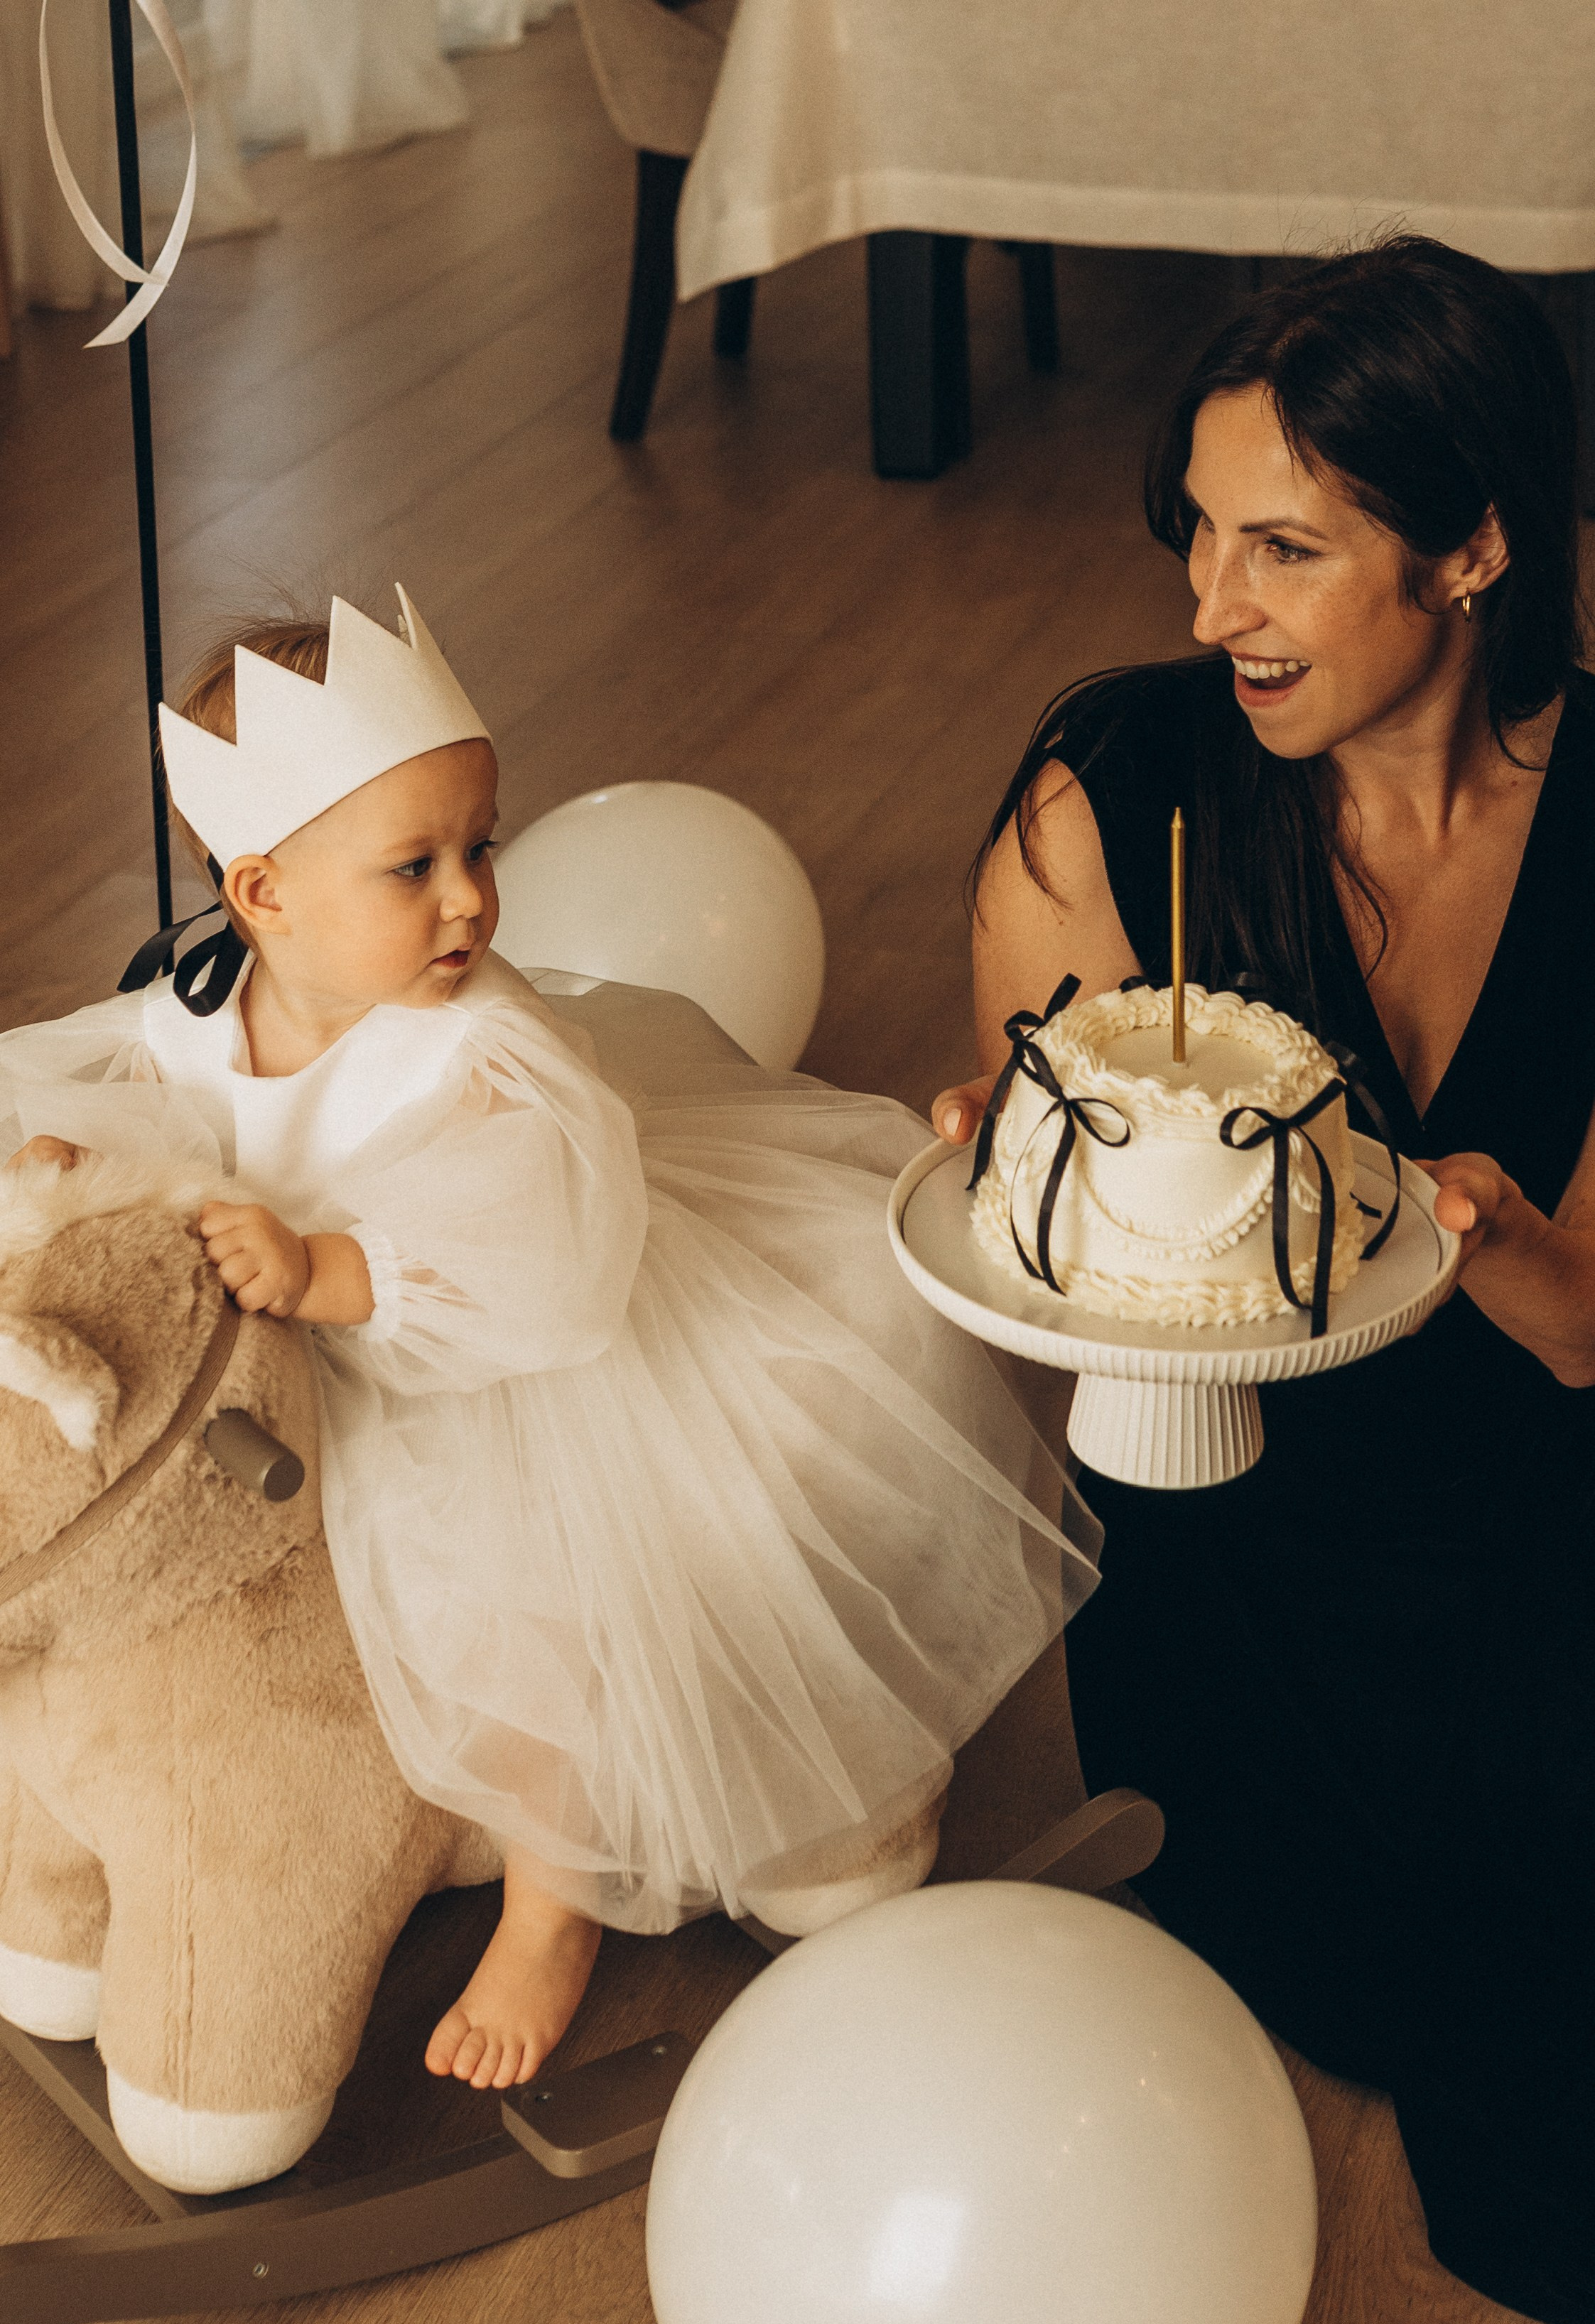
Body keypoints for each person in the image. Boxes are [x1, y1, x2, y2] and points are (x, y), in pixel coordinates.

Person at [1, 590, 1100, 2095]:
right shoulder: (196, 1008)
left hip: (493, 1373)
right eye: (415, 866)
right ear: (261, 894)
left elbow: (549, 1242)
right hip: (276, 1370)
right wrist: (84, 1166)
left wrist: (334, 1267)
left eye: (483, 847)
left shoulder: (481, 1043)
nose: (470, 900)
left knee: (520, 1621)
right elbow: (135, 1102)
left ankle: (550, 1902)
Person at [934, 235, 1595, 2324]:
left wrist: (1487, 1234)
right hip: (1232, 1535)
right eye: (1199, 536)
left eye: (1282, 552)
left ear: (1472, 549)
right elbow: (1073, 1296)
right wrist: (1022, 1176)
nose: (1208, 608)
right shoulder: (1110, 797)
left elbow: (1590, 1333)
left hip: (1536, 1513)